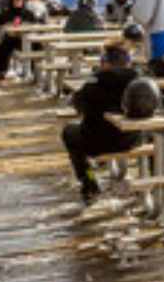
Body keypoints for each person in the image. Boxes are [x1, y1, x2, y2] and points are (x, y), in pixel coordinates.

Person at [62, 42, 148, 204]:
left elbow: (78, 105)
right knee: (154, 134)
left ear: (105, 62)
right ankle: (150, 175)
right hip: (133, 140)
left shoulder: (96, 82)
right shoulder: (141, 81)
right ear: (128, 61)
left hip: (96, 143)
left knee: (69, 132)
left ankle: (89, 182)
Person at [0, 0, 47, 82]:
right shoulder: (6, 13)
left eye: (20, 0)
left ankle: (36, 73)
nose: (18, 2)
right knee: (4, 47)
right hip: (11, 38)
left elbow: (37, 26)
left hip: (26, 38)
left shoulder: (28, 13)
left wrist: (31, 30)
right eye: (16, 0)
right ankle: (2, 71)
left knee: (38, 46)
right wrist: (5, 32)